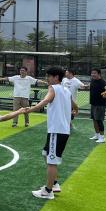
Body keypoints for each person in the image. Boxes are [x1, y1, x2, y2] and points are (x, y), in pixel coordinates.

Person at [23, 67, 78, 200]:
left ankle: (48, 191)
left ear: (56, 77)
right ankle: (54, 183)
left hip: (57, 130)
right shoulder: (66, 90)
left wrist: (30, 109)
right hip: (60, 130)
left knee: (51, 161)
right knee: (45, 154)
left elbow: (46, 101)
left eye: (49, 76)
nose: (47, 79)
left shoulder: (53, 88)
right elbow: (74, 104)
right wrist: (75, 110)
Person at [88, 68, 106, 143]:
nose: (93, 74)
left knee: (99, 121)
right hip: (93, 103)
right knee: (94, 119)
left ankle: (102, 137)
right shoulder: (93, 80)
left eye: (94, 73)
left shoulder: (102, 82)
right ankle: (97, 135)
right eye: (92, 73)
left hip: (100, 105)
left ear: (99, 74)